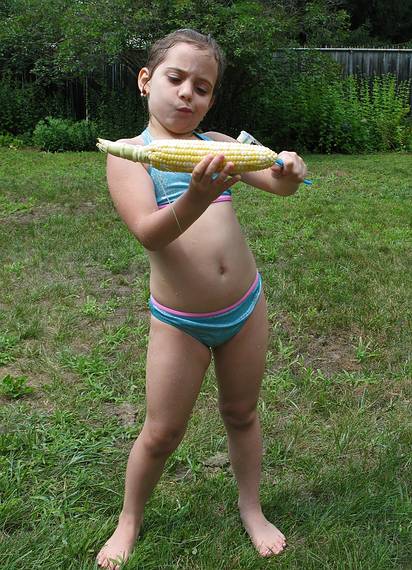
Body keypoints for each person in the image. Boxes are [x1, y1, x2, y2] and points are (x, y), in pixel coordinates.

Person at [96, 28, 307, 569]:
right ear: (146, 82)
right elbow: (150, 232)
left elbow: (278, 185)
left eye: (203, 86)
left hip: (244, 306)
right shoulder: (131, 158)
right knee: (162, 431)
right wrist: (196, 195)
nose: (188, 93)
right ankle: (129, 518)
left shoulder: (217, 146)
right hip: (180, 321)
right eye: (176, 78)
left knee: (241, 413)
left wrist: (290, 169)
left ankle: (251, 508)